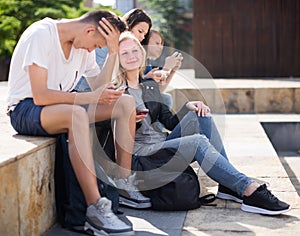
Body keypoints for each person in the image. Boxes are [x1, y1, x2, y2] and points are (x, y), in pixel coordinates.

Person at [113, 31, 291, 215]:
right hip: (142, 155)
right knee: (198, 141)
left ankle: (227, 185)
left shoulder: (148, 85)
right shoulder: (117, 91)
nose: (131, 56)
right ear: (117, 60)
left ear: (142, 54)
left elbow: (169, 121)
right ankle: (247, 188)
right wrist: (126, 120)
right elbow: (110, 134)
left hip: (162, 145)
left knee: (200, 113)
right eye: (124, 53)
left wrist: (188, 106)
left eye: (135, 50)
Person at [6, 11, 150, 236]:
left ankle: (123, 182)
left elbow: (98, 88)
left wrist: (113, 52)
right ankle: (95, 207)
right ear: (89, 30)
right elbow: (40, 96)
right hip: (26, 110)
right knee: (77, 115)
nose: (93, 50)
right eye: (97, 44)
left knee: (126, 104)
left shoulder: (83, 47)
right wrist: (88, 99)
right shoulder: (41, 35)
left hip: (62, 107)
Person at [74, 8, 152, 92]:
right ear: (129, 25)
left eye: (145, 34)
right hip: (85, 92)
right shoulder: (103, 45)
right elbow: (101, 84)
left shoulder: (134, 51)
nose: (142, 37)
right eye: (140, 31)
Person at [143, 29, 183, 109]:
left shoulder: (148, 64)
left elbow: (159, 90)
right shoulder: (137, 62)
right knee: (165, 98)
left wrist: (172, 70)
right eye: (157, 43)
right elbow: (150, 93)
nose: (161, 47)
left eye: (162, 44)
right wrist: (166, 68)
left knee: (166, 97)